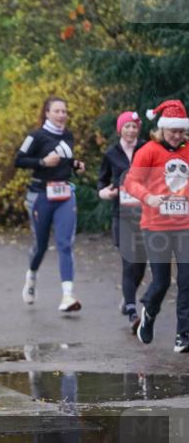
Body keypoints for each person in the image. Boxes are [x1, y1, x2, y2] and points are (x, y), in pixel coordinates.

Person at [124, 99, 189, 352]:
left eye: (180, 131)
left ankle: (183, 336)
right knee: (162, 281)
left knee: (187, 281)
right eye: (172, 131)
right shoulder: (149, 150)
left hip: (185, 225)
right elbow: (131, 182)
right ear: (162, 129)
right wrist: (148, 197)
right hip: (156, 225)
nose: (176, 136)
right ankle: (149, 314)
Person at [14, 95, 86, 313]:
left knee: (65, 243)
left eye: (64, 111)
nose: (61, 115)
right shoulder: (36, 136)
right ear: (47, 113)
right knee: (41, 245)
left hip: (64, 193)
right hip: (41, 194)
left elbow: (64, 159)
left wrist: (75, 165)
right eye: (57, 111)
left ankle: (67, 295)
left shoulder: (68, 135)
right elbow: (19, 160)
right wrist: (42, 162)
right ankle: (32, 276)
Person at [97, 110, 148, 327]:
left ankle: (127, 299)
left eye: (134, 126)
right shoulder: (111, 153)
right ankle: (131, 311)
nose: (131, 130)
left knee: (140, 264)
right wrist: (106, 193)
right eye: (127, 126)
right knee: (129, 262)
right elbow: (102, 181)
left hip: (145, 214)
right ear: (120, 129)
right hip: (122, 214)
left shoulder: (146, 148)